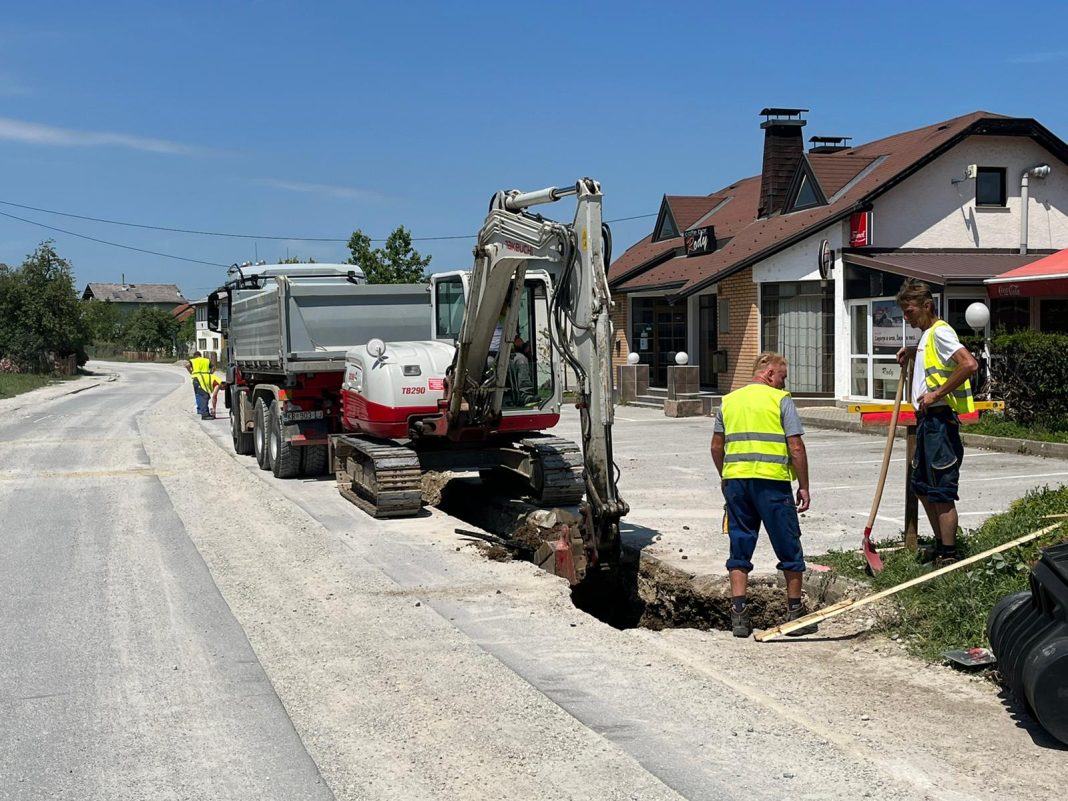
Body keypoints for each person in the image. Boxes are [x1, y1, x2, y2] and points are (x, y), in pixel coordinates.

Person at [710, 352, 814, 638]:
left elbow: (716, 447)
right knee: (789, 545)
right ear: (769, 374)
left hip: (736, 483)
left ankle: (739, 616)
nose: (783, 383)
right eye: (782, 377)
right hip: (771, 484)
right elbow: (795, 447)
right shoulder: (780, 400)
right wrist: (803, 484)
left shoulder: (728, 401)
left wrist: (726, 476)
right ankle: (794, 612)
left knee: (740, 544)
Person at [895, 280, 978, 567]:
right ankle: (941, 545)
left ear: (927, 306)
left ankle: (949, 554)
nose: (907, 317)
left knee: (941, 490)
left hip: (940, 420)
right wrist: (912, 350)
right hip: (928, 420)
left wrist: (936, 393)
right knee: (921, 486)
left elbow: (969, 364)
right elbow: (934, 355)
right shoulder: (929, 335)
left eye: (909, 311)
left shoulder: (941, 332)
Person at [184, 350, 215, 420]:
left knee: (199, 395)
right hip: (206, 379)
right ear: (200, 355)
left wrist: (191, 372)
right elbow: (213, 367)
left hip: (197, 379)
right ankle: (204, 413)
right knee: (204, 395)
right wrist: (210, 374)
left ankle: (202, 411)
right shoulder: (206, 360)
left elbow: (187, 366)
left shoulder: (193, 361)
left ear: (194, 356)